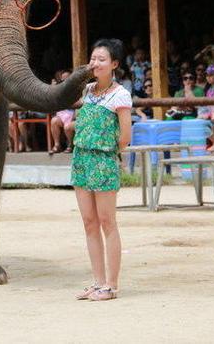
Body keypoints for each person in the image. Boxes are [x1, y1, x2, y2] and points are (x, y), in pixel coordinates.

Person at [72, 39, 132, 301]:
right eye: (93, 58)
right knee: (89, 223)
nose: (95, 63)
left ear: (114, 64)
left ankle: (112, 285)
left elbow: (125, 136)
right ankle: (97, 282)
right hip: (81, 160)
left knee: (108, 222)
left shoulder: (120, 94)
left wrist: (106, 151)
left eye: (101, 59)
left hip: (103, 161)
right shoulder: (86, 91)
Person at [197, 65, 214, 151]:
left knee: (209, 120)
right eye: (207, 75)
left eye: (211, 75)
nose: (208, 77)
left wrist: (208, 114)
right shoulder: (208, 90)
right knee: (198, 122)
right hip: (209, 112)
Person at [51, 70, 76, 153]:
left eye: (68, 79)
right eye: (63, 79)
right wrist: (52, 89)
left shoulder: (77, 88)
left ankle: (70, 144)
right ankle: (57, 145)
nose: (66, 81)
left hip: (73, 114)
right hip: (62, 114)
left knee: (67, 126)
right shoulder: (59, 89)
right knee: (54, 121)